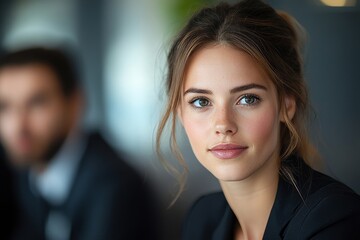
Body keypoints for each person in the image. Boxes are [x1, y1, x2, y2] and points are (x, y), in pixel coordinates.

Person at [156, 0, 360, 239]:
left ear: (286, 105)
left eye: (247, 99)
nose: (223, 125)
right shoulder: (203, 219)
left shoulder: (333, 220)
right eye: (201, 101)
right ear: (180, 112)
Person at [0, 47, 157, 240]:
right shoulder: (25, 173)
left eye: (36, 103)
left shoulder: (115, 187)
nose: (18, 125)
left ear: (75, 104)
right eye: (4, 107)